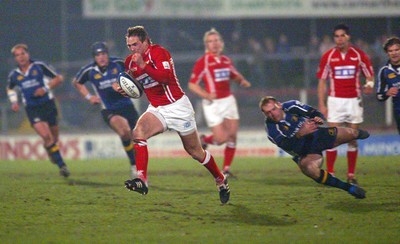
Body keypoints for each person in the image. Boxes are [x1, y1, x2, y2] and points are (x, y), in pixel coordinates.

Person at [118, 26, 230, 204]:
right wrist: (125, 90)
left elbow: (164, 78)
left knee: (195, 152)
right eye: (129, 45)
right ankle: (142, 180)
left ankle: (220, 179)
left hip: (178, 107)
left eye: (135, 44)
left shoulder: (159, 53)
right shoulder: (129, 62)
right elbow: (137, 85)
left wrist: (143, 66)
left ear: (145, 41)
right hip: (157, 109)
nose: (132, 49)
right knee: (138, 133)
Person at [259, 96, 369, 199]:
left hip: (319, 136)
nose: (272, 114)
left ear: (279, 105)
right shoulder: (271, 129)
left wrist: (318, 118)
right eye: (267, 113)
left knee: (353, 133)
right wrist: (299, 134)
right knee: (310, 169)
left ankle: (352, 171)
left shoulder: (291, 106)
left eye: (273, 109)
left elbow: (312, 111)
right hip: (305, 152)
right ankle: (349, 187)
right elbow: (286, 145)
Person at [188, 28, 251, 178]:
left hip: (228, 100)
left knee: (233, 136)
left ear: (221, 43)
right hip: (213, 104)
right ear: (206, 45)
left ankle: (226, 170)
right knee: (222, 138)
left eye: (217, 40)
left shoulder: (226, 60)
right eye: (211, 41)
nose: (214, 44)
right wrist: (206, 95)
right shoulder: (202, 62)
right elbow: (192, 84)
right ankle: (205, 139)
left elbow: (234, 74)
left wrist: (241, 80)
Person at [317, 23, 375, 184]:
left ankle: (351, 175)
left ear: (348, 37)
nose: (339, 39)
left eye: (342, 35)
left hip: (354, 101)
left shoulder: (359, 55)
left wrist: (369, 86)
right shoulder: (328, 56)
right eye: (336, 36)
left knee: (352, 138)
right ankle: (331, 173)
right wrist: (322, 104)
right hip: (335, 101)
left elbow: (369, 75)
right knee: (331, 138)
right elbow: (322, 82)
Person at [72, 42, 140, 177]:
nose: (101, 57)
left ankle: (140, 166)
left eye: (103, 54)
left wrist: (123, 83)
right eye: (98, 55)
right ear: (94, 57)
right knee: (124, 131)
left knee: (138, 138)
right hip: (109, 109)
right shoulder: (89, 70)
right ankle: (134, 165)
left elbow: (135, 73)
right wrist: (89, 96)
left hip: (127, 106)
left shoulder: (119, 63)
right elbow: (76, 82)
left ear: (108, 55)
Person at [6, 44, 70, 177]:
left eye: (22, 53)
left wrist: (45, 89)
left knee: (54, 138)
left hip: (48, 105)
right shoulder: (14, 75)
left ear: (27, 54)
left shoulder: (39, 66)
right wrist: (14, 102)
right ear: (15, 58)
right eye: (17, 55)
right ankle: (62, 166)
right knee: (46, 136)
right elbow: (10, 88)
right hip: (32, 108)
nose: (21, 57)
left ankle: (50, 149)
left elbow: (59, 78)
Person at [376, 37, 400, 134]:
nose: (394, 53)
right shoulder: (384, 71)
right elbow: (379, 96)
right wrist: (387, 93)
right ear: (387, 53)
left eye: (397, 50)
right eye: (390, 51)